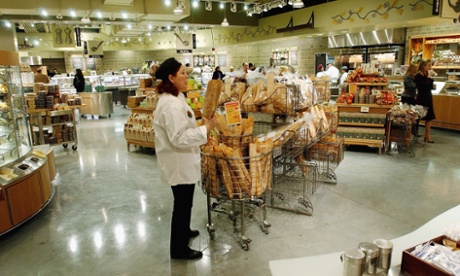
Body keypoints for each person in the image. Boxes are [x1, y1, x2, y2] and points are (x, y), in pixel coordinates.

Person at [153, 57, 216, 260]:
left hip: (183, 160)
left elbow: (184, 127)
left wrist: (200, 130)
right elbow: (178, 138)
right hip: (178, 162)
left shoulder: (176, 98)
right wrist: (205, 129)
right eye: (182, 73)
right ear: (171, 78)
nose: (186, 76)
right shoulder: (171, 105)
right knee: (181, 204)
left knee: (186, 201)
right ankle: (178, 249)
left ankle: (184, 230)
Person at [414, 59, 436, 143]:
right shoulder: (419, 75)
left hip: (428, 97)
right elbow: (422, 86)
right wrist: (429, 78)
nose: (430, 67)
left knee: (430, 117)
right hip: (421, 98)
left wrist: (429, 78)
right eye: (429, 65)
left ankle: (427, 134)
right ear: (423, 66)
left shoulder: (426, 75)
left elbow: (429, 86)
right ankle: (414, 133)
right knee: (418, 117)